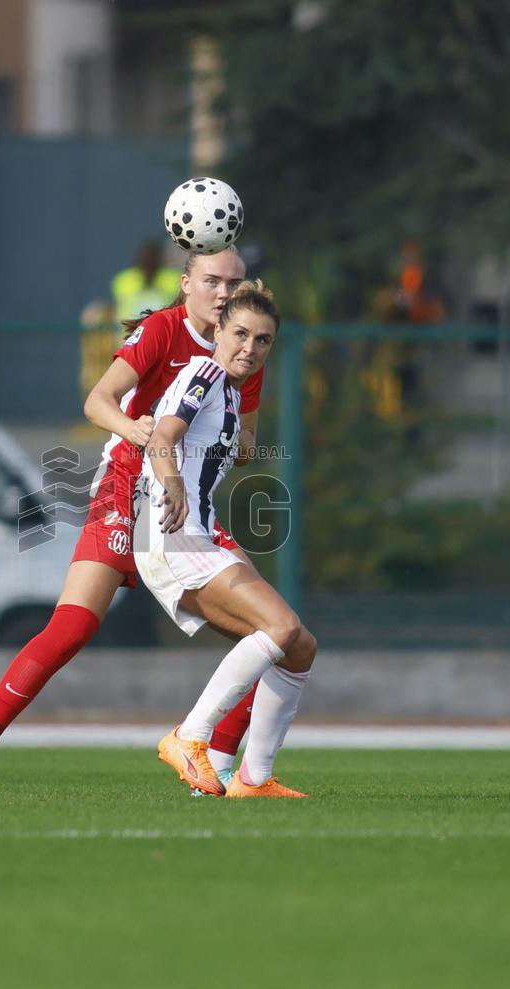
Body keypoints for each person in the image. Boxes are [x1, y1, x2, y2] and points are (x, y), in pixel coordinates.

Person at [0, 247, 265, 795]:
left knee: (271, 632)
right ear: (186, 283)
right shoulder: (163, 330)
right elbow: (98, 401)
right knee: (71, 627)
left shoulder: (244, 347)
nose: (224, 293)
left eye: (234, 283)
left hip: (186, 506)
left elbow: (248, 447)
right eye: (213, 280)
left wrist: (216, 435)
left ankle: (216, 769)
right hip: (126, 490)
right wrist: (140, 430)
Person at [134, 281, 317, 797]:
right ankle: (189, 736)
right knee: (280, 626)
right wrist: (173, 483)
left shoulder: (229, 392)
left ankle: (253, 779)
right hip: (173, 534)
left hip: (194, 533)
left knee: (299, 647)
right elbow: (163, 438)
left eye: (263, 340)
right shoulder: (206, 374)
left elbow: (229, 451)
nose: (250, 348)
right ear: (217, 330)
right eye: (240, 333)